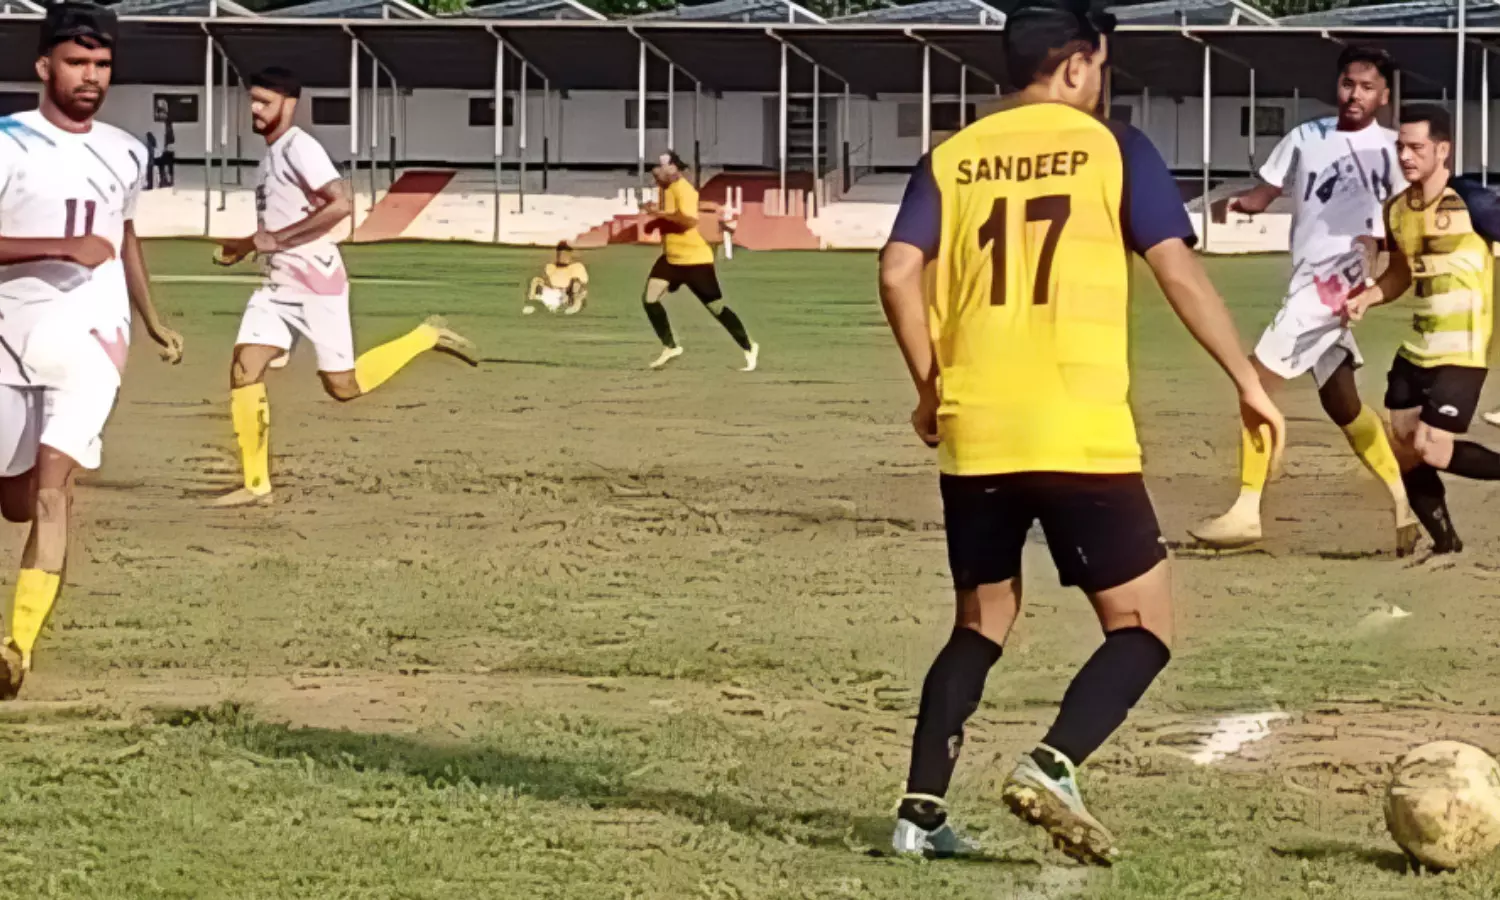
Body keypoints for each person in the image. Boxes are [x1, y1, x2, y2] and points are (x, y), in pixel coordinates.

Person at [878, 0, 1284, 864]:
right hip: (1078, 428)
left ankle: (918, 816)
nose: (1102, 82)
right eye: (1100, 66)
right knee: (1144, 625)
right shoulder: (1114, 148)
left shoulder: (951, 157)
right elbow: (1177, 269)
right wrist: (1247, 381)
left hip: (976, 429)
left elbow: (897, 270)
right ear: (1075, 65)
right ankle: (1053, 763)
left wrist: (929, 387)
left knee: (981, 620)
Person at [0, 1, 183, 696]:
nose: (91, 77)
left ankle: (15, 649)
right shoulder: (7, 143)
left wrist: (149, 316)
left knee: (54, 489)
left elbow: (122, 233)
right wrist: (58, 246)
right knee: (16, 500)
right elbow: (82, 239)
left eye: (102, 64)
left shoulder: (126, 151)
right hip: (9, 333)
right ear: (43, 66)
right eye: (76, 62)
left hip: (94, 338)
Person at [212, 66, 475, 508]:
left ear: (289, 104)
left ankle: (424, 336)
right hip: (277, 285)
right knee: (244, 369)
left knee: (343, 388)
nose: (255, 109)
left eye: (265, 102)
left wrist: (275, 239)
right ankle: (256, 486)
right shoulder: (271, 155)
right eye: (252, 100)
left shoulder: (299, 147)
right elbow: (277, 227)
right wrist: (246, 246)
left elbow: (341, 205)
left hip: (315, 282)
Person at [1191, 46, 1417, 554]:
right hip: (1306, 282)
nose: (1354, 94)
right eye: (1347, 84)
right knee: (1342, 402)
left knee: (1252, 383)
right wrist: (1240, 204)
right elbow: (1266, 192)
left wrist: (1379, 271)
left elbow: (1404, 225)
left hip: (1331, 289)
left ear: (1384, 96)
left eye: (1366, 87)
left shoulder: (1393, 151)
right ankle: (1404, 503)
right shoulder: (1305, 136)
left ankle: (1247, 510)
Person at [1348, 105, 1500, 555]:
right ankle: (1445, 545)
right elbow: (1400, 273)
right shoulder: (1396, 210)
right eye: (1401, 147)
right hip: (1416, 347)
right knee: (1404, 447)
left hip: (1462, 350)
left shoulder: (1472, 201)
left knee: (1432, 447)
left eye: (1416, 147)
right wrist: (1367, 297)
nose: (1406, 156)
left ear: (1443, 149)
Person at [638, 151, 758, 371]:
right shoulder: (665, 189)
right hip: (671, 259)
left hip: (695, 261)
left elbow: (688, 221)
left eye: (661, 167)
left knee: (716, 308)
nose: (656, 171)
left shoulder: (684, 190)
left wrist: (658, 215)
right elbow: (674, 216)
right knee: (649, 299)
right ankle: (670, 346)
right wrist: (656, 220)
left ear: (673, 168)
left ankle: (749, 346)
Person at [525, 241, 588, 315]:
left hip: (565, 294)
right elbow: (547, 280)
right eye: (560, 254)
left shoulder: (576, 268)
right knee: (536, 280)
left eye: (565, 254)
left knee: (576, 284)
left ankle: (575, 304)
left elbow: (582, 283)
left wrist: (573, 292)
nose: (562, 257)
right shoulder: (551, 267)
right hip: (554, 293)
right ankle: (531, 303)